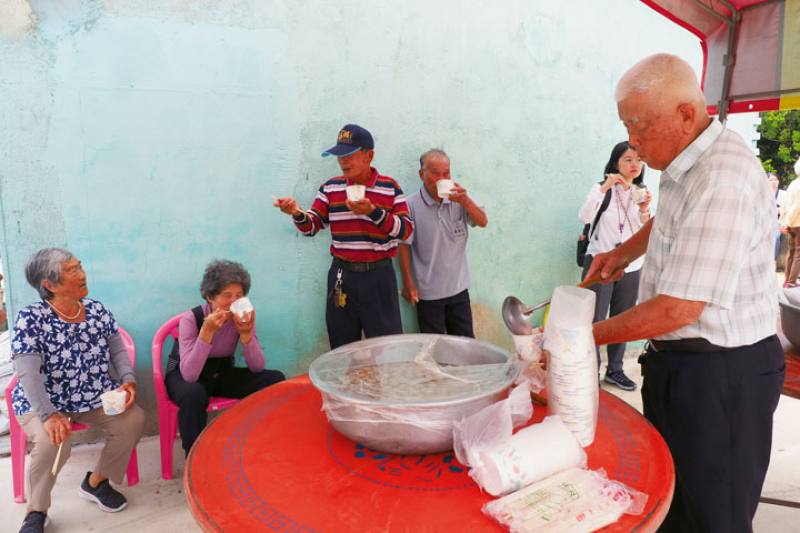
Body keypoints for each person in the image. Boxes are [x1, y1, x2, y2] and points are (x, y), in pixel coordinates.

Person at [587, 54, 784, 532]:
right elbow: (669, 221)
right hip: (681, 363)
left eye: (640, 126)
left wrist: (582, 335)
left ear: (684, 115)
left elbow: (680, 306)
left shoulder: (723, 175)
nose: (632, 140)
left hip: (723, 375)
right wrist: (622, 250)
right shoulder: (682, 161)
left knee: (715, 517)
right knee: (673, 501)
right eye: (625, 126)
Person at [11, 248, 145, 533]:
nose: (82, 273)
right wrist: (48, 415)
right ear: (49, 284)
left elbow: (117, 349)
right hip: (45, 402)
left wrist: (128, 379)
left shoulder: (97, 310)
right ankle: (37, 510)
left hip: (93, 394)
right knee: (53, 442)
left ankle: (96, 482)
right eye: (72, 270)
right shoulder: (30, 319)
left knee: (133, 419)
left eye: (79, 266)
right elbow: (28, 374)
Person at [274, 124, 413, 348]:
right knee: (342, 347)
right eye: (339, 156)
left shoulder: (389, 187)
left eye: (349, 155)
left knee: (387, 348)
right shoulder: (331, 188)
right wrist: (296, 213)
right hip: (342, 276)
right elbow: (312, 226)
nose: (343, 162)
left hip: (379, 276)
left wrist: (373, 212)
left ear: (370, 156)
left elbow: (407, 230)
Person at [165, 260, 285, 455]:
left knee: (274, 379)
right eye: (226, 295)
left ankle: (261, 442)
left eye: (239, 296)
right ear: (210, 297)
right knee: (193, 394)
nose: (233, 302)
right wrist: (206, 332)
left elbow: (257, 367)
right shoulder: (192, 319)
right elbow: (189, 375)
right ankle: (194, 456)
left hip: (220, 373)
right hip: (184, 373)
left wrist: (246, 336)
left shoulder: (241, 318)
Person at [578, 141, 651, 391]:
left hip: (631, 266)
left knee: (623, 318)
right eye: (628, 160)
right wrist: (605, 187)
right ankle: (591, 371)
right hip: (601, 261)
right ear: (615, 163)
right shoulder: (602, 189)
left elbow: (643, 232)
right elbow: (585, 216)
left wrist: (643, 209)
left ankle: (615, 370)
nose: (635, 165)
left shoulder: (641, 192)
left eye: (638, 160)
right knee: (595, 319)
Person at [398, 149, 488, 337]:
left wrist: (466, 201)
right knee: (433, 350)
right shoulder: (410, 205)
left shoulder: (460, 199)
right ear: (421, 175)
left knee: (465, 346)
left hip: (459, 289)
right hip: (428, 293)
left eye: (446, 173)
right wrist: (408, 283)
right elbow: (404, 245)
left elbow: (482, 221)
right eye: (435, 173)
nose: (441, 178)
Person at [780, 161, 800, 286]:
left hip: (790, 222)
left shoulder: (793, 183)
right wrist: (789, 222)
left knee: (791, 252)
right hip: (797, 222)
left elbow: (784, 204)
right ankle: (791, 282)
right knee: (798, 254)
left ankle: (787, 280)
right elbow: (798, 207)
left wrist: (785, 222)